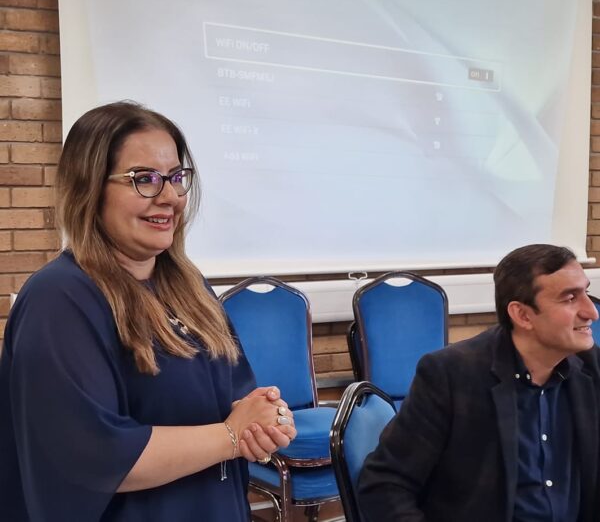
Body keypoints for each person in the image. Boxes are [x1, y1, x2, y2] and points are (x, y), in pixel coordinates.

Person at [0, 101, 296, 521]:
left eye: (176, 177)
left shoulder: (188, 286)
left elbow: (238, 398)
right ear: (89, 188)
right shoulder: (59, 299)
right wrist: (231, 435)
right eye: (144, 179)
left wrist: (267, 419)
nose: (170, 196)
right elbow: (101, 454)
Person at [358, 244, 600, 522]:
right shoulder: (452, 375)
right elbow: (385, 484)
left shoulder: (591, 367)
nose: (592, 312)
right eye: (570, 298)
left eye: (586, 292)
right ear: (522, 315)